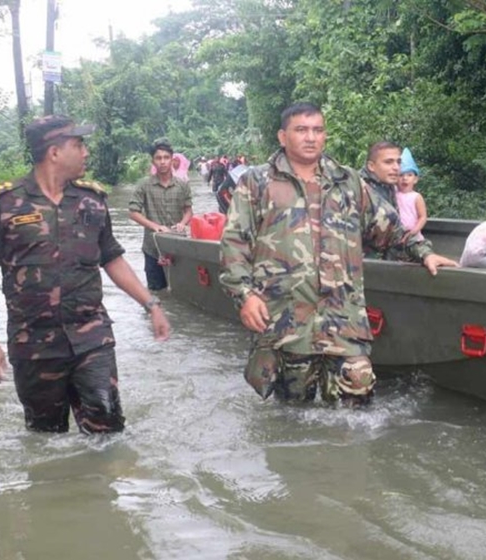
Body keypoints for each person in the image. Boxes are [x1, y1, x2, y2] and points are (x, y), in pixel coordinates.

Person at [219, 102, 458, 405]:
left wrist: (424, 253)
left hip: (344, 321)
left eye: (317, 130)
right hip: (285, 323)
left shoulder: (348, 182)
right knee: (292, 417)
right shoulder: (257, 182)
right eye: (301, 130)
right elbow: (234, 243)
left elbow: (389, 228)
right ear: (282, 136)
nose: (310, 137)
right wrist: (245, 295)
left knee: (356, 409)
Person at [0, 114, 171, 434]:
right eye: (78, 144)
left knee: (108, 431)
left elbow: (113, 259)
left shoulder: (93, 201)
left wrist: (151, 305)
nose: (86, 152)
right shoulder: (4, 204)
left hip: (92, 337)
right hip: (33, 344)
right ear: (54, 152)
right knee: (45, 440)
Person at [128, 138, 193, 291]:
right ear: (153, 161)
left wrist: (183, 223)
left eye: (166, 158)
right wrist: (155, 226)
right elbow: (133, 213)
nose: (162, 162)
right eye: (158, 158)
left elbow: (189, 210)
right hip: (152, 248)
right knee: (157, 293)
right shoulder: (144, 185)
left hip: (178, 247)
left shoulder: (182, 185)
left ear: (172, 160)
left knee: (180, 292)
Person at [396, 147, 427, 243]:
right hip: (397, 236)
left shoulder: (416, 197)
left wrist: (414, 231)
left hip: (414, 236)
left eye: (409, 175)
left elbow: (423, 217)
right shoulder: (393, 194)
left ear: (415, 179)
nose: (405, 178)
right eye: (401, 175)